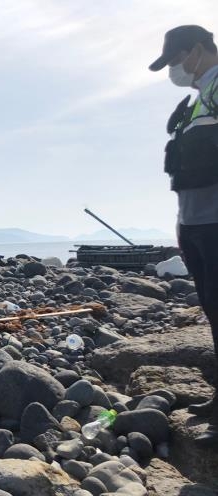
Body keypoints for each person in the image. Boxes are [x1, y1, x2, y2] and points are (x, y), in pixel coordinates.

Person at [150, 25, 218, 448]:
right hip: (195, 222)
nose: (174, 70)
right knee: (212, 307)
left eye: (175, 61)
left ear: (196, 51)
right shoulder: (196, 101)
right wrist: (181, 223)